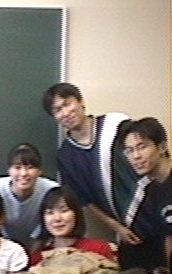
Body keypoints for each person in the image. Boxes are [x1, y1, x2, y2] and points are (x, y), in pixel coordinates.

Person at [42, 83, 138, 246]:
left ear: (81, 101)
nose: (65, 113)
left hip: (157, 204)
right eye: (57, 110)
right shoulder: (66, 156)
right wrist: (116, 227)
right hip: (125, 225)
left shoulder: (115, 124)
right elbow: (85, 200)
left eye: (67, 104)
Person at [118, 117, 172, 271]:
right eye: (130, 150)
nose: (135, 156)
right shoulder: (150, 189)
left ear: (161, 147)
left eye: (141, 147)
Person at [0, 143, 59, 250]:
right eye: (17, 167)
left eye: (30, 167)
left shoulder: (51, 190)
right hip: (1, 245)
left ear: (39, 171)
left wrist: (34, 252)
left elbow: (49, 225)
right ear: (9, 171)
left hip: (42, 244)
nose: (23, 173)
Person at [29, 186, 116, 266]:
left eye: (64, 211)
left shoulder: (99, 249)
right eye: (50, 213)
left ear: (76, 214)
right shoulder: (38, 259)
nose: (57, 218)